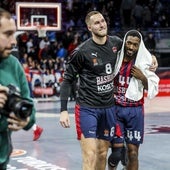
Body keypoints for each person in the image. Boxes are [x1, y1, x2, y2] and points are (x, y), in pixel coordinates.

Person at [59, 10, 123, 170]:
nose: (101, 25)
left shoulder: (116, 43)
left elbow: (136, 53)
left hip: (108, 108)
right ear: (89, 27)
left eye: (102, 21)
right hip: (87, 109)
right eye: (97, 23)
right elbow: (67, 80)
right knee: (90, 154)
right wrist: (63, 110)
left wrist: (152, 59)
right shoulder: (82, 52)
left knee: (102, 153)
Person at [107, 30, 160, 170]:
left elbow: (153, 88)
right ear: (124, 42)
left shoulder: (145, 61)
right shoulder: (115, 57)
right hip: (115, 109)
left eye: (135, 45)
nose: (131, 47)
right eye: (129, 43)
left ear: (139, 46)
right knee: (116, 152)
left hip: (135, 111)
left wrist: (143, 77)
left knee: (133, 154)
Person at [0, 8, 36, 169]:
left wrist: (26, 118)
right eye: (7, 34)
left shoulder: (13, 65)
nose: (14, 41)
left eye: (14, 34)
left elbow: (29, 106)